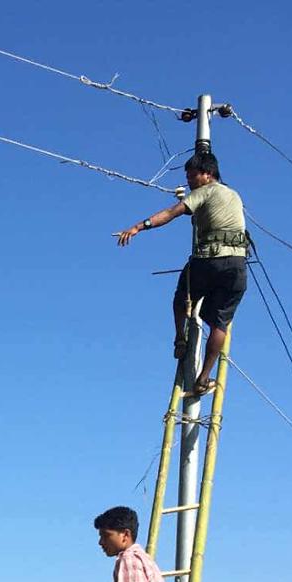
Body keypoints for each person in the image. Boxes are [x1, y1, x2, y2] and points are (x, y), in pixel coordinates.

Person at [114, 150, 249, 397]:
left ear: (207, 174)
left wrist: (138, 227)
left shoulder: (205, 191)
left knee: (181, 296)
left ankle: (179, 338)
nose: (189, 182)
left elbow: (172, 213)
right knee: (220, 323)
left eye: (192, 176)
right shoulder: (235, 195)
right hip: (237, 264)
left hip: (209, 259)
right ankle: (203, 378)